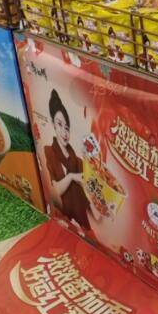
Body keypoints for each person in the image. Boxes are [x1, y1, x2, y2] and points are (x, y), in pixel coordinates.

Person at [43, 90, 99, 233]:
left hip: (83, 226)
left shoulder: (78, 161)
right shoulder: (49, 151)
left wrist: (102, 205)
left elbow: (95, 210)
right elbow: (55, 190)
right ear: (53, 124)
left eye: (67, 127)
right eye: (59, 124)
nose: (64, 132)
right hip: (62, 220)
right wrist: (72, 177)